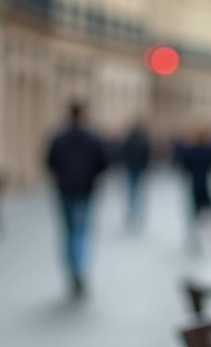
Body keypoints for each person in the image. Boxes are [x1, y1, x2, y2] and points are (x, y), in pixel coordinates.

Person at [45, 102, 108, 298]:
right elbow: (102, 163)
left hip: (65, 189)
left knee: (69, 231)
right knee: (81, 231)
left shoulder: (59, 137)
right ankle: (79, 269)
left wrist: (62, 176)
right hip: (85, 190)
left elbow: (50, 162)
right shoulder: (92, 137)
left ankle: (73, 271)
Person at [175, 125, 211, 252]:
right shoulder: (209, 150)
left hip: (194, 182)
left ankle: (194, 235)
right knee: (205, 211)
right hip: (205, 182)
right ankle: (203, 236)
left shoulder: (190, 150)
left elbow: (184, 165)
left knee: (193, 211)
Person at [119, 121, 151, 230]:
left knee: (132, 191)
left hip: (131, 167)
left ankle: (132, 213)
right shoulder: (143, 140)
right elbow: (146, 155)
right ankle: (137, 213)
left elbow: (124, 153)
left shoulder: (129, 140)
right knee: (138, 192)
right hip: (139, 168)